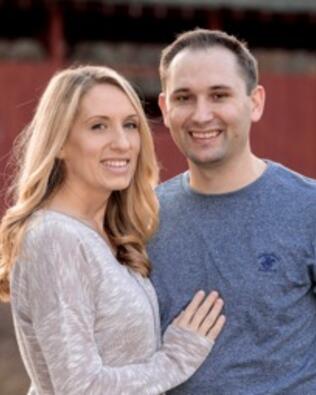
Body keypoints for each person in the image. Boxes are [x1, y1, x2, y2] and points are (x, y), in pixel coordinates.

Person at [0, 65, 226, 395]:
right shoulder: (55, 238)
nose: (122, 143)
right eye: (98, 126)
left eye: (130, 125)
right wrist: (175, 360)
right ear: (60, 142)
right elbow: (79, 387)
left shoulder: (106, 234)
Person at [148, 28, 316, 394]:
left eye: (219, 95)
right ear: (165, 108)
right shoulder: (143, 219)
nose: (201, 114)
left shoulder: (308, 209)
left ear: (255, 102)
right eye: (184, 98)